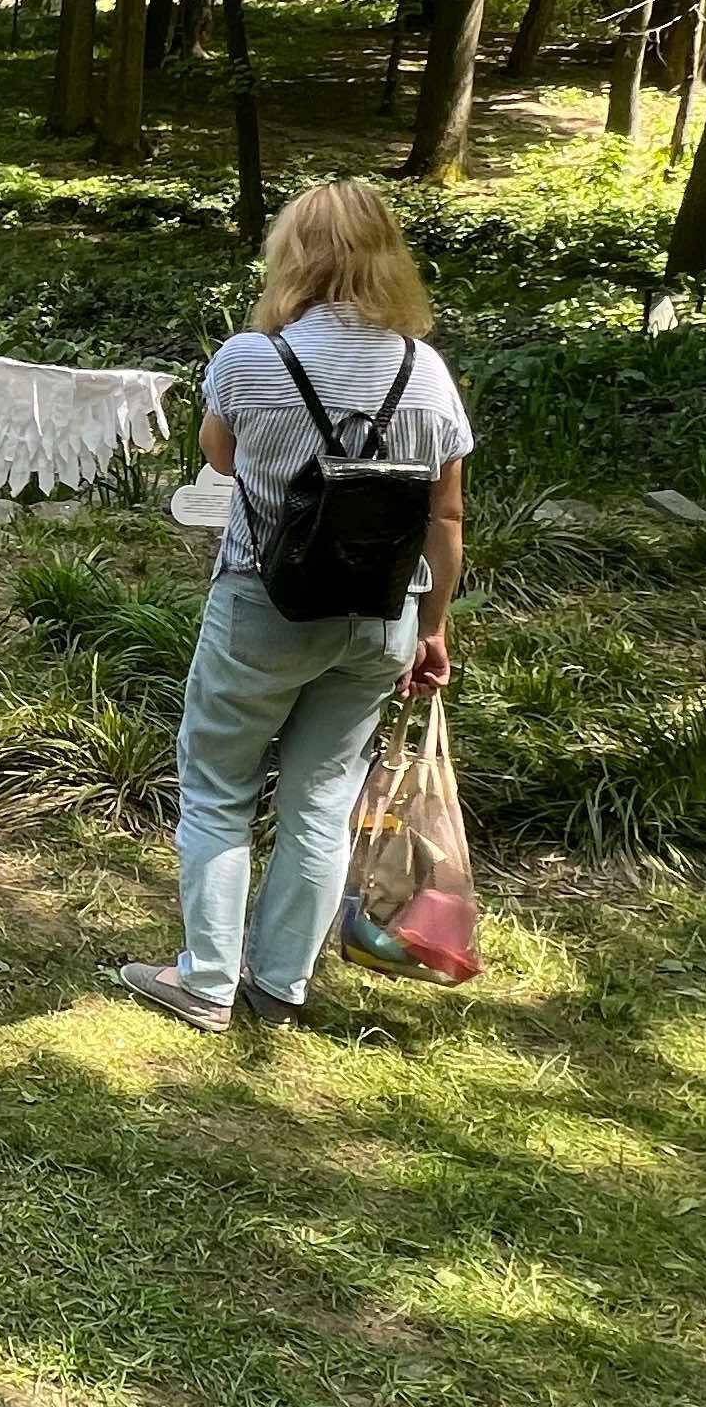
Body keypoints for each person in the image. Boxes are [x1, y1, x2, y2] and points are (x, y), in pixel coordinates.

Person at [120, 178, 469, 1032]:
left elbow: (220, 456)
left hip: (263, 605)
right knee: (320, 799)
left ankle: (204, 981)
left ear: (291, 258)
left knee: (218, 790)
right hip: (382, 615)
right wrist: (434, 627)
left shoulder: (250, 359)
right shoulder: (426, 371)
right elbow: (446, 514)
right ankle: (281, 986)